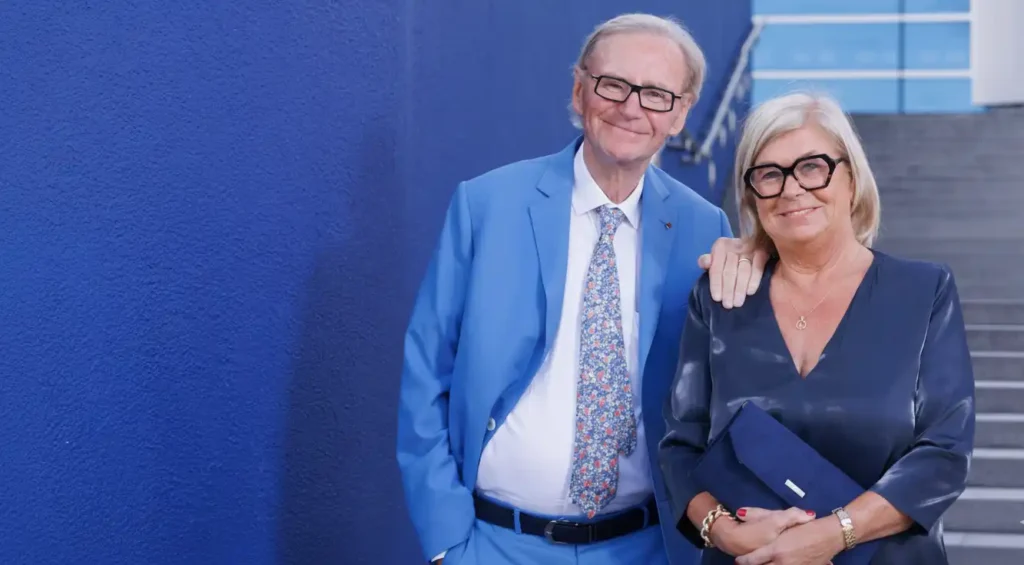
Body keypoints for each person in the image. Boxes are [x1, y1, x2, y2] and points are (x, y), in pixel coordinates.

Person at [396, 13, 771, 565]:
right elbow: (426, 373)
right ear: (579, 89)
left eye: (657, 94)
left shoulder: (703, 227)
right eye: (613, 84)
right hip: (494, 546)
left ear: (681, 113)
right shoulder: (488, 207)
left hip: (646, 548)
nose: (632, 107)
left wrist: (762, 258)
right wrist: (446, 543)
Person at [659, 91, 976, 565]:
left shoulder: (923, 291)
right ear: (751, 195)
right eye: (769, 174)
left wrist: (834, 534)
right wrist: (725, 532)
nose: (791, 189)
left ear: (852, 178)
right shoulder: (722, 296)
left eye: (812, 167)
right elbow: (680, 447)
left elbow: (945, 453)